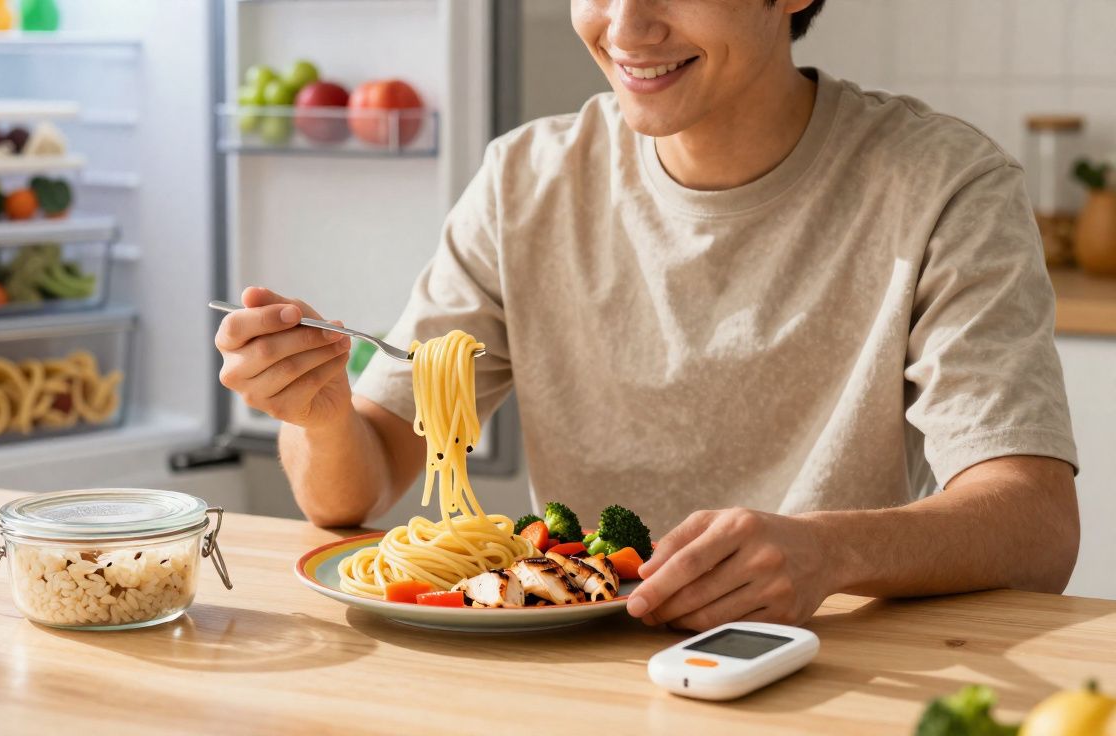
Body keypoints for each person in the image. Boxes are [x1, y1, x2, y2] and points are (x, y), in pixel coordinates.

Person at [215, 0, 1081, 631]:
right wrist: (321, 416)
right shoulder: (526, 181)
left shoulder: (945, 186)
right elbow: (356, 486)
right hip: (574, 667)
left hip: (828, 665)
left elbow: (1036, 524)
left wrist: (831, 551)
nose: (625, 27)